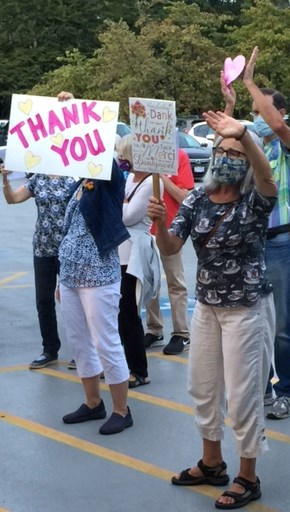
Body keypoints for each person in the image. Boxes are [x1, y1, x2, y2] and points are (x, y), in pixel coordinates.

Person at [147, 111, 277, 509]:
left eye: (236, 152)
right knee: (203, 389)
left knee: (243, 397)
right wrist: (162, 225)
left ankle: (248, 477)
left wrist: (247, 136)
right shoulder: (199, 199)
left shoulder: (254, 201)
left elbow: (268, 182)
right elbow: (172, 248)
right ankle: (212, 462)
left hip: (245, 310)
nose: (228, 158)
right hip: (207, 307)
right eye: (222, 150)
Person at [225, 46, 290, 419]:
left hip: (277, 245)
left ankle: (287, 391)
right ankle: (266, 387)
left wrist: (251, 82)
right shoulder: (252, 146)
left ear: (280, 113)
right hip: (251, 244)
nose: (254, 117)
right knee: (257, 322)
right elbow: (224, 154)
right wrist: (229, 107)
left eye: (260, 110)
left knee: (283, 325)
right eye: (252, 112)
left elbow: (274, 126)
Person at [57, 91, 133, 435]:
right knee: (78, 340)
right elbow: (70, 230)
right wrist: (62, 278)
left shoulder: (110, 179)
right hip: (71, 274)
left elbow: (99, 151)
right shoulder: (78, 183)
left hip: (99, 275)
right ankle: (92, 402)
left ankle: (121, 409)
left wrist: (76, 111)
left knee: (106, 341)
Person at [1, 164, 75, 369]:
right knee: (43, 300)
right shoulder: (38, 178)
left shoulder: (73, 177)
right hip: (42, 247)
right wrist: (5, 180)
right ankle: (50, 348)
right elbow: (12, 199)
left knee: (73, 301)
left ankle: (81, 349)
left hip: (68, 248)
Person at [144, 149, 194, 355]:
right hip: (144, 229)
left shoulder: (179, 156)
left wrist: (161, 177)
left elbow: (185, 197)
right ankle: (154, 329)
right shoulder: (143, 156)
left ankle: (181, 333)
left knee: (175, 281)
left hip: (171, 230)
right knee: (149, 282)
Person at [116, 134, 156, 388]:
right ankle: (123, 365)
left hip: (134, 252)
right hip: (119, 251)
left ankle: (138, 370)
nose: (120, 159)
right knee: (119, 312)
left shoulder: (152, 182)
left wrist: (118, 202)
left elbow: (129, 217)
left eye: (123, 155)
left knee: (129, 312)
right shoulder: (131, 178)